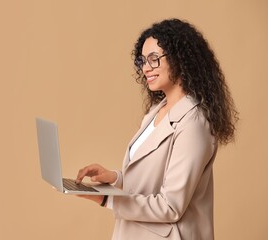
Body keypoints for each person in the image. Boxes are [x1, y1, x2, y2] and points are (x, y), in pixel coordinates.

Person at [74, 18, 238, 239]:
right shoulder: (157, 110)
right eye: (142, 60)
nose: (146, 68)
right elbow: (153, 180)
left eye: (154, 59)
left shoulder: (194, 123)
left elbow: (171, 205)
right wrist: (114, 178)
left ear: (180, 59)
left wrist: (106, 199)